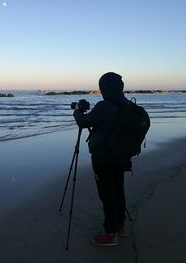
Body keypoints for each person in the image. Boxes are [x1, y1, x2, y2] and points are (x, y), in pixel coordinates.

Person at [73, 72, 130, 246]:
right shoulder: (127, 105)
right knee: (118, 190)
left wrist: (77, 111)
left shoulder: (104, 106)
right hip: (121, 156)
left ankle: (110, 233)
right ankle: (120, 227)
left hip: (104, 158)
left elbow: (83, 122)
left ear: (104, 88)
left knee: (107, 194)